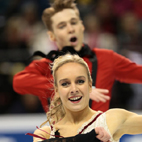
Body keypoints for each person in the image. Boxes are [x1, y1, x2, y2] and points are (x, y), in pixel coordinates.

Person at [13, 0, 142, 113]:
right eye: (62, 26)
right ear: (52, 35)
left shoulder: (105, 58)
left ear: (82, 27)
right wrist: (67, 88)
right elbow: (19, 82)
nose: (70, 29)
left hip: (100, 136)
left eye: (73, 22)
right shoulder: (46, 64)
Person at [31, 54, 142, 142]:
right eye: (65, 84)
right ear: (57, 91)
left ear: (89, 86)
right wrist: (91, 137)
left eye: (80, 81)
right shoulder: (44, 133)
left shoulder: (111, 119)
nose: (74, 89)